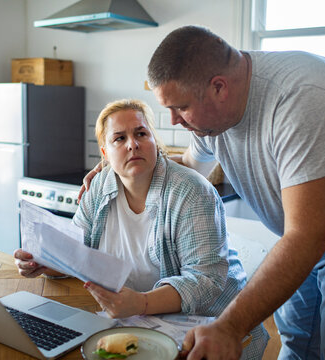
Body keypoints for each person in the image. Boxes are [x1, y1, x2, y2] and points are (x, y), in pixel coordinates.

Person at [140, 25, 325, 359]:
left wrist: (229, 326)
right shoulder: (204, 117)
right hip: (301, 232)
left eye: (180, 108)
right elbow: (187, 167)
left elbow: (308, 237)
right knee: (297, 343)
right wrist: (123, 168)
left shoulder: (300, 99)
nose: (174, 121)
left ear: (218, 88)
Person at [14, 99, 269, 359]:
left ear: (154, 142)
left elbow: (205, 282)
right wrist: (49, 262)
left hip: (211, 331)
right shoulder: (100, 186)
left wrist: (141, 303)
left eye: (140, 133)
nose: (132, 144)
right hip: (138, 323)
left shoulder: (191, 192)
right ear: (104, 154)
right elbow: (80, 251)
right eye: (119, 138)